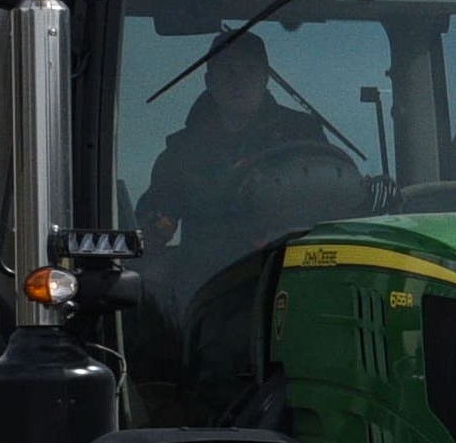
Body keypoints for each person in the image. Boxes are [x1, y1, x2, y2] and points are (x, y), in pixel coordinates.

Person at [139, 31, 361, 275]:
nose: (239, 81)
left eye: (249, 70)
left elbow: (332, 198)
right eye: (228, 71)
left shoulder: (303, 133)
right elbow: (158, 217)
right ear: (209, 81)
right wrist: (157, 226)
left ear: (265, 77)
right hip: (209, 284)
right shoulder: (183, 151)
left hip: (293, 271)